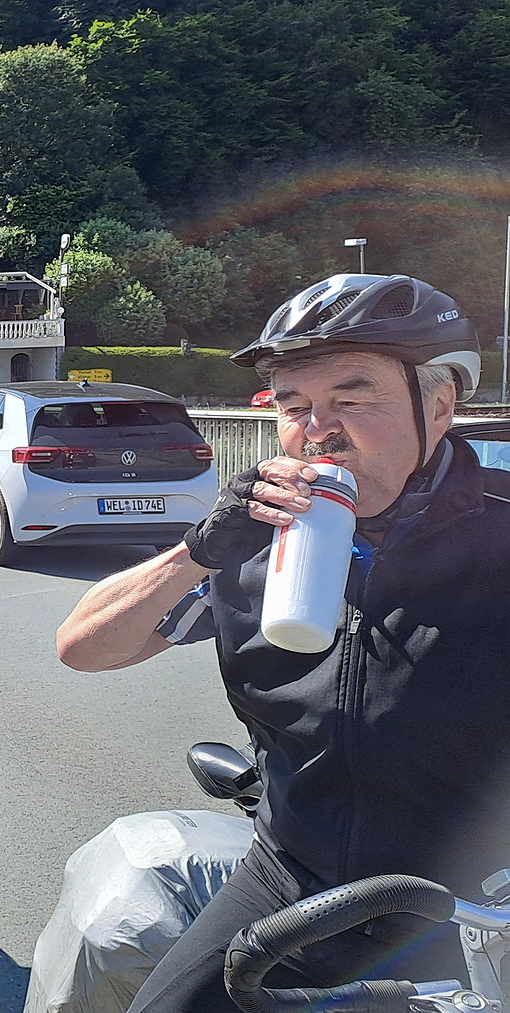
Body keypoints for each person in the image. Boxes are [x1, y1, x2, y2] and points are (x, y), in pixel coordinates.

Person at [54, 273, 505, 1013]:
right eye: (294, 407)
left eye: (352, 399)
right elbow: (83, 646)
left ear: (440, 404)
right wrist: (198, 550)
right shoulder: (256, 543)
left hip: (471, 909)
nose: (318, 430)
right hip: (288, 880)